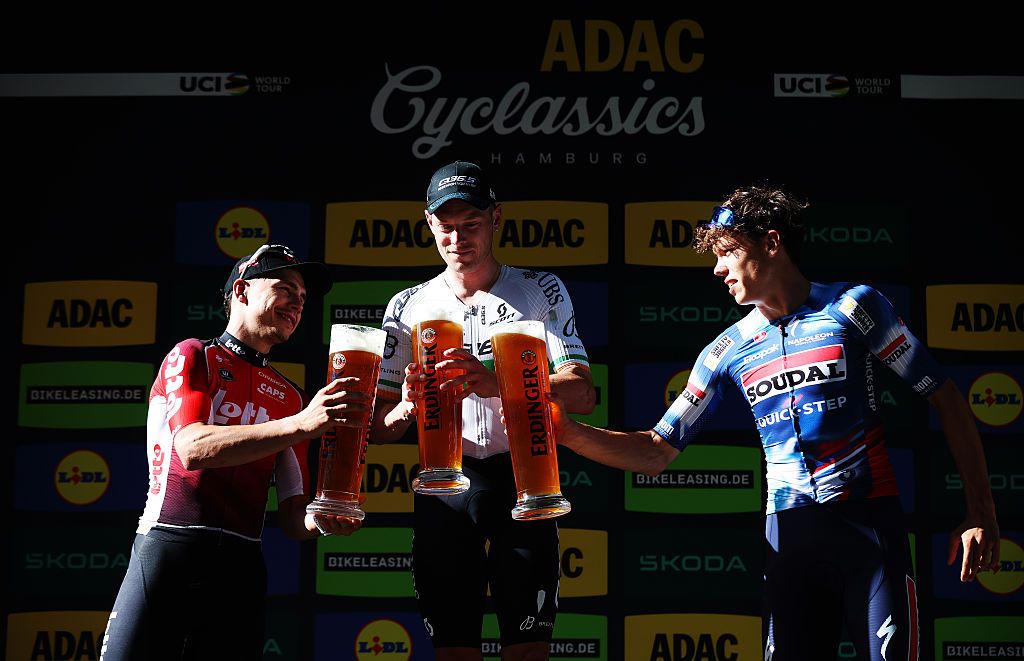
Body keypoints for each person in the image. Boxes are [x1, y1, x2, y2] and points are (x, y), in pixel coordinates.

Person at [543, 185, 1001, 661]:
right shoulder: (726, 350)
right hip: (789, 540)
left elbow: (943, 395)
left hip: (869, 530)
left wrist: (981, 510)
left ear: (772, 243)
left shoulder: (853, 307)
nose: (717, 269)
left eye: (728, 253)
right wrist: (568, 433)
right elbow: (656, 450)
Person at [370, 161, 596, 660]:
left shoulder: (540, 289)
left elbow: (582, 393)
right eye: (445, 226)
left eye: (470, 224)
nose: (457, 238)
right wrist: (407, 405)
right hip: (445, 486)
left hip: (525, 477)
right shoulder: (406, 305)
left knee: (529, 650)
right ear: (428, 224)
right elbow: (379, 430)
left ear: (496, 218)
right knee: (454, 651)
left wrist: (500, 382)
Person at [102, 243, 367, 661]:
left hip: (241, 569)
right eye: (286, 289)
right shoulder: (193, 355)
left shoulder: (289, 395)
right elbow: (191, 449)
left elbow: (297, 520)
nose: (298, 304)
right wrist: (299, 425)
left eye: (303, 298)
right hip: (170, 551)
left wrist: (329, 516)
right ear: (242, 291)